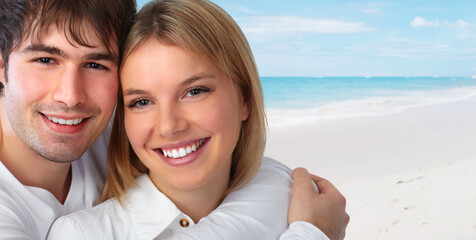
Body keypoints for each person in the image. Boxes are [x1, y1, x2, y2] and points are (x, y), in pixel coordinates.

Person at [0, 0, 347, 239]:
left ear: (245, 99)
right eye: (45, 59)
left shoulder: (104, 132)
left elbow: (266, 173)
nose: (70, 96)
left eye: (95, 64)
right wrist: (310, 232)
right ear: (2, 64)